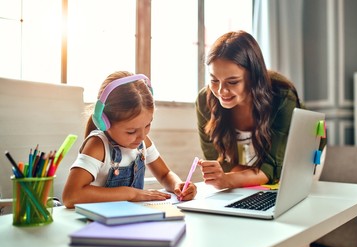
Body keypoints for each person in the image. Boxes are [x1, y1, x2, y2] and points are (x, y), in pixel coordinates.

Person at [62, 71, 196, 208]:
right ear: (104, 122)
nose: (142, 136)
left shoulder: (143, 142)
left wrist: (178, 185)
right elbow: (71, 196)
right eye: (131, 131)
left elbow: (165, 174)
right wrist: (132, 194)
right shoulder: (97, 146)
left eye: (148, 125)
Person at [196, 30, 304, 190]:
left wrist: (228, 179)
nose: (221, 91)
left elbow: (272, 169)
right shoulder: (205, 100)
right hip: (250, 159)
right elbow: (217, 162)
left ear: (254, 78)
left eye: (232, 82)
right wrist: (227, 176)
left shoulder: (282, 96)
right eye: (214, 80)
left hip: (300, 153)